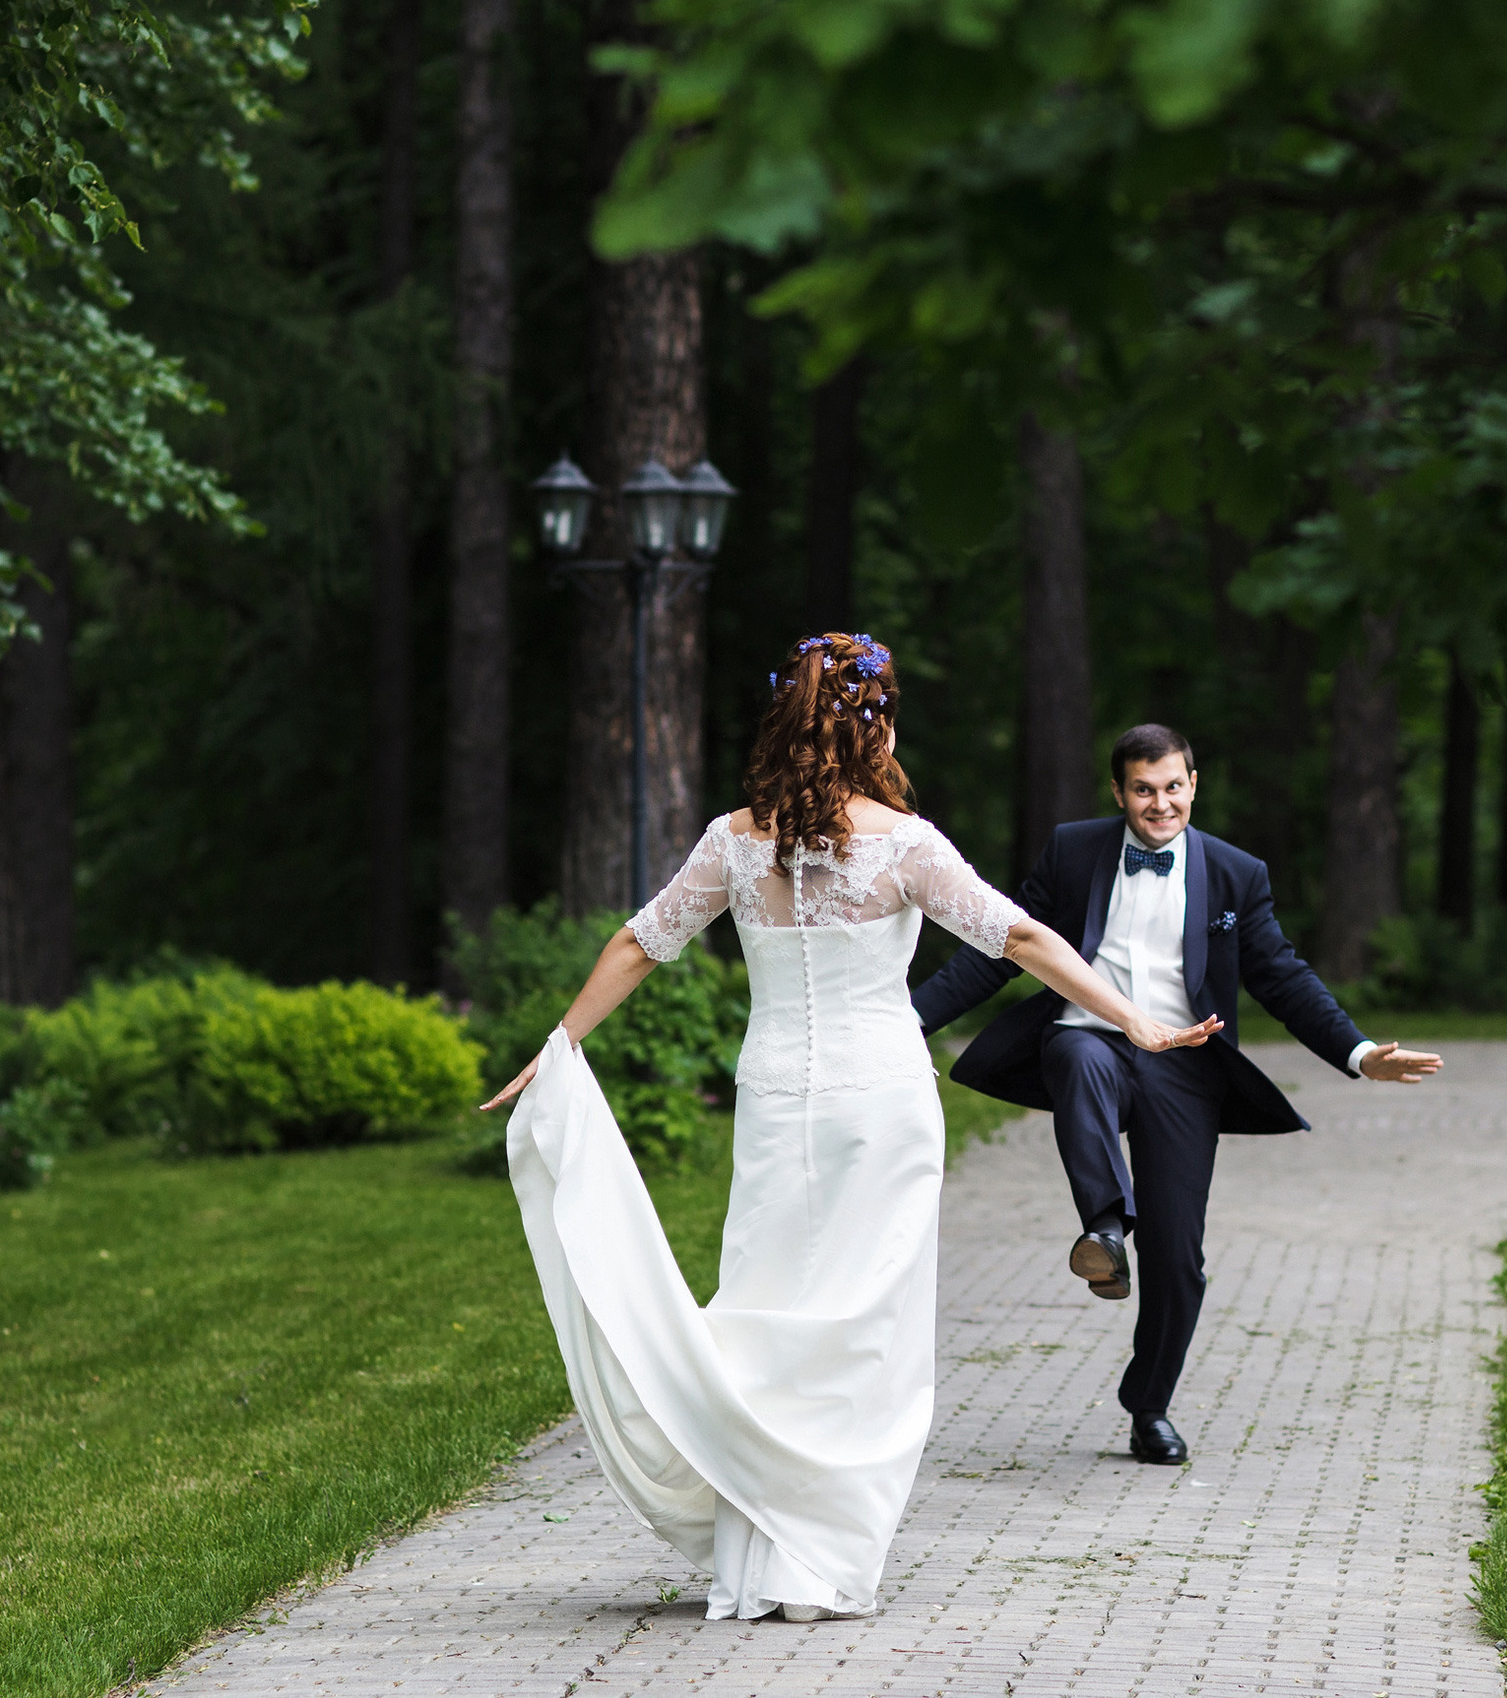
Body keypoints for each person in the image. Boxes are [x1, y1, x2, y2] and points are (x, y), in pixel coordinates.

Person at [482, 635, 1218, 1625]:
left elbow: (638, 940)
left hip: (778, 1094)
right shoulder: (902, 844)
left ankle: (763, 1548)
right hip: (877, 1101)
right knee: (865, 1325)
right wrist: (1133, 1019)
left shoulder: (735, 840)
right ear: (878, 724)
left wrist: (559, 1044)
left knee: (771, 1304)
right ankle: (819, 1555)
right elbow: (1022, 937)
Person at [910, 723, 1444, 1466]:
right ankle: (1102, 1228)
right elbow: (1002, 945)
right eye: (1142, 789)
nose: (1159, 803)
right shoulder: (1073, 851)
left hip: (1186, 1065)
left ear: (1194, 783)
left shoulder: (1235, 873)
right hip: (1089, 1037)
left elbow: (1283, 976)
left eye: (1172, 787)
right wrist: (907, 1021)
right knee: (1077, 1054)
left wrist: (1356, 1053)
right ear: (1118, 791)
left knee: (1179, 1257)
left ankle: (1148, 1405)